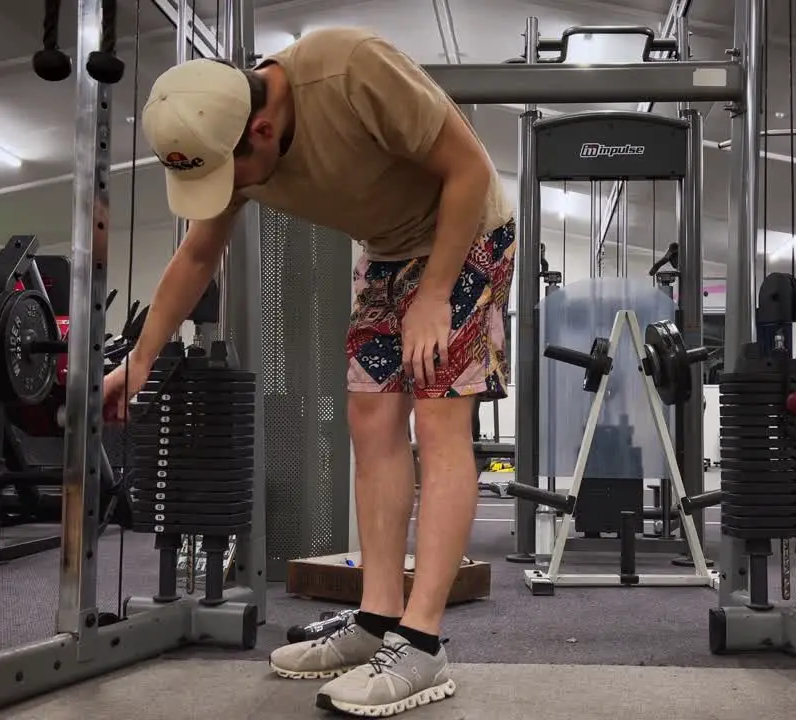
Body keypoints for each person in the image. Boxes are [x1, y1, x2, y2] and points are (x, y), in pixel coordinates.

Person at [104, 25, 514, 718]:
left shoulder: (353, 71)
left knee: (439, 417)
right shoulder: (227, 141)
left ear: (261, 130)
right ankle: (377, 622)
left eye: (226, 174)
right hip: (387, 251)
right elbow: (198, 256)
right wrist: (141, 358)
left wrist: (438, 295)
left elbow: (469, 167)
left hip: (466, 232)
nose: (224, 190)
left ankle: (421, 644)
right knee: (369, 418)